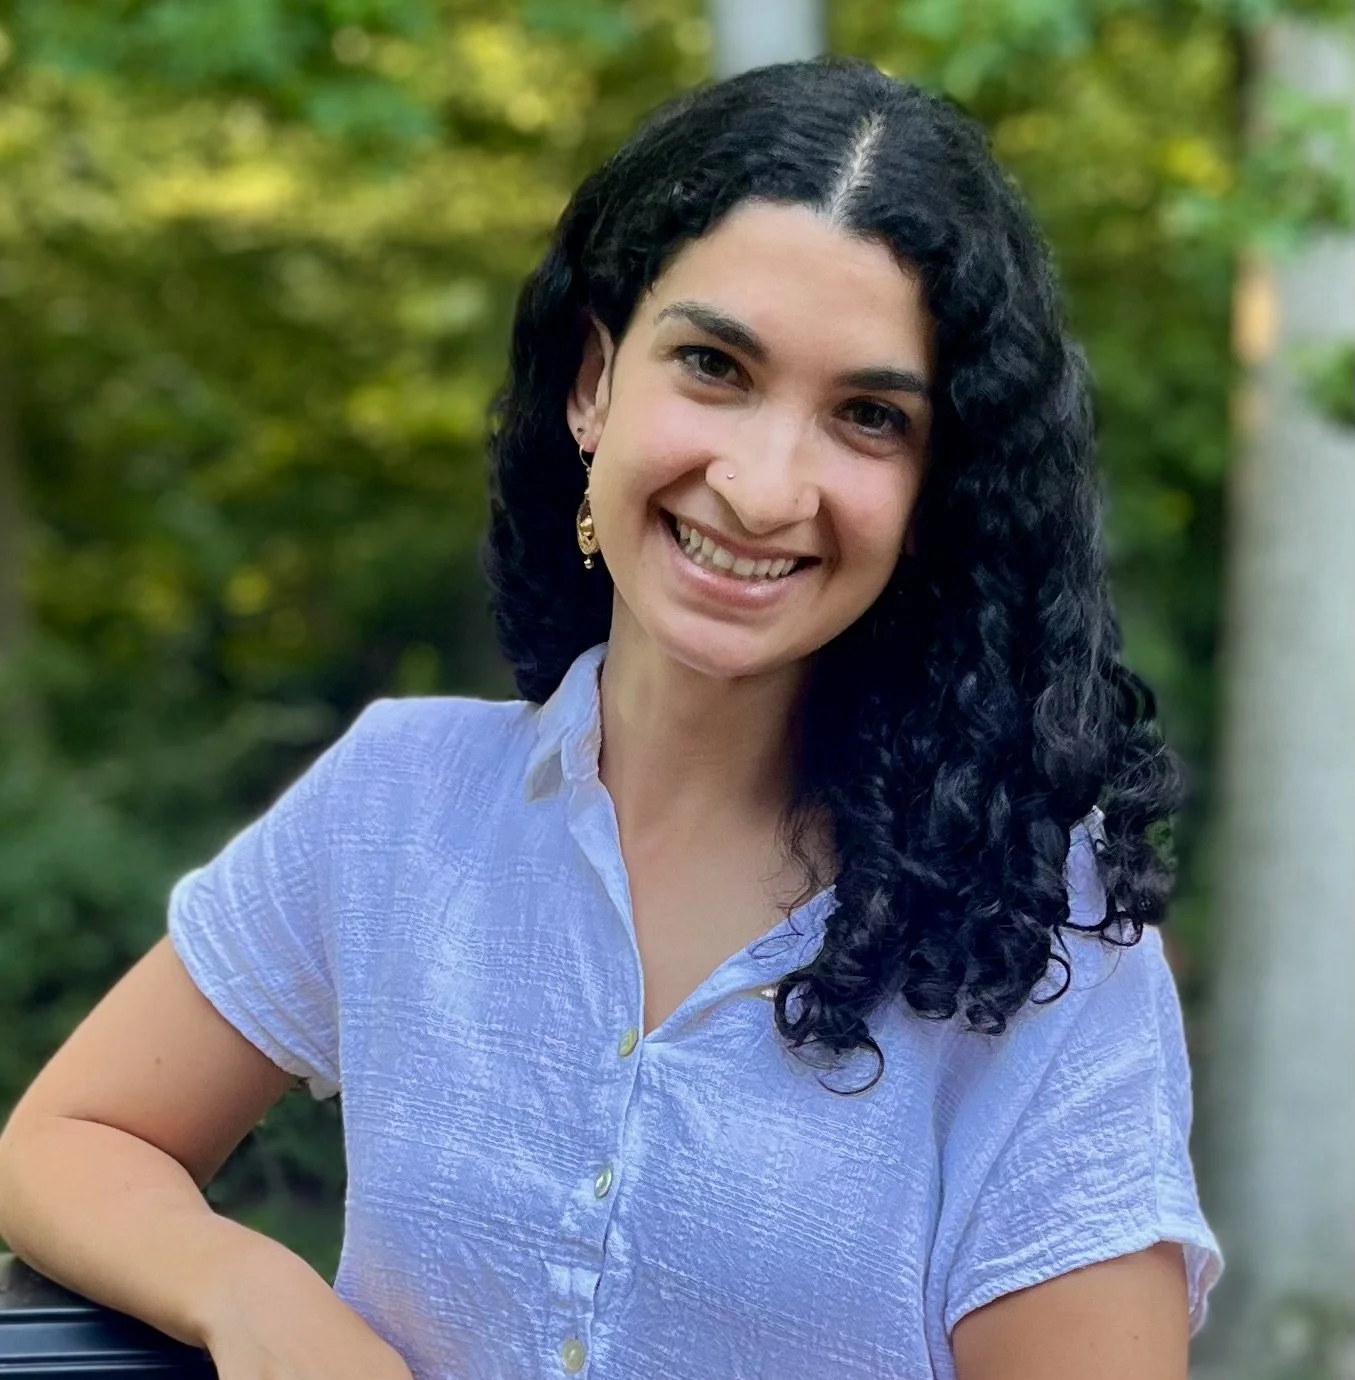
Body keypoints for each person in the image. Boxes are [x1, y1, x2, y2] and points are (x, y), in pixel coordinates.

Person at [0, 55, 1222, 1380]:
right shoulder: (401, 804)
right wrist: (248, 1293)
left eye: (867, 418)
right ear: (594, 384)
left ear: (937, 489)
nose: (761, 488)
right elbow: (71, 1140)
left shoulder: (1045, 935)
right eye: (711, 365)